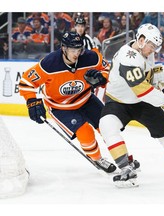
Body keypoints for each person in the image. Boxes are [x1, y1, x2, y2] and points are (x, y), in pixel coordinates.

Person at [99, 23, 164, 188]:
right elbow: (142, 90)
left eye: (155, 47)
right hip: (118, 102)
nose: (152, 50)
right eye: (151, 46)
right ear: (140, 40)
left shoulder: (145, 51)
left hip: (142, 103)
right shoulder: (128, 57)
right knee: (107, 126)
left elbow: (146, 76)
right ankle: (125, 169)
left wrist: (155, 75)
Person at [18, 32, 116, 173]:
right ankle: (97, 158)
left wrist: (102, 77)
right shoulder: (49, 64)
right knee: (85, 132)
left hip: (86, 98)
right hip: (61, 107)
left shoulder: (90, 57)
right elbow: (26, 81)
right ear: (64, 48)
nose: (76, 54)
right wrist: (32, 101)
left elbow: (107, 68)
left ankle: (122, 157)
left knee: (107, 127)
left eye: (79, 49)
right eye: (72, 50)